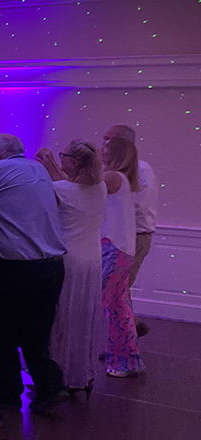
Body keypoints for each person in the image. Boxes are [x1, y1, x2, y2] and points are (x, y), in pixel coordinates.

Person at [0, 134, 68, 413]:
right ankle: (50, 387)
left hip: (13, 267)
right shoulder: (38, 169)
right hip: (51, 266)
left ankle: (4, 392)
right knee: (36, 334)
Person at [36, 140, 107, 395]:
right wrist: (51, 164)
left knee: (60, 319)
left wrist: (47, 164)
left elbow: (59, 189)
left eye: (63, 155)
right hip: (92, 259)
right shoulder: (100, 188)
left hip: (68, 259)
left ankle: (58, 374)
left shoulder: (63, 189)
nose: (61, 158)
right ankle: (81, 373)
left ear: (74, 162)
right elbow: (67, 185)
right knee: (82, 318)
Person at [104, 124, 157, 337]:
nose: (103, 144)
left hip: (134, 238)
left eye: (108, 139)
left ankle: (126, 339)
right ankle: (130, 331)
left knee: (118, 292)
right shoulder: (121, 172)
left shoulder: (140, 170)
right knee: (119, 292)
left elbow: (135, 203)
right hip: (125, 238)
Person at [100, 136, 145, 377]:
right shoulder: (122, 178)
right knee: (119, 307)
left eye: (105, 146)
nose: (100, 149)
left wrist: (51, 167)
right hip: (121, 249)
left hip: (113, 249)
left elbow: (78, 191)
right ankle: (126, 360)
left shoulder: (113, 177)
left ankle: (120, 361)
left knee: (106, 307)